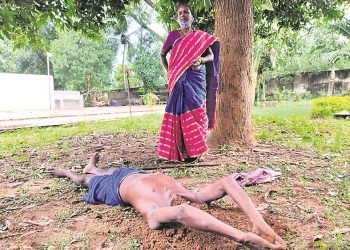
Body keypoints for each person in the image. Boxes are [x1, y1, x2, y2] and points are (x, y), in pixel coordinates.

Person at [49, 153, 287, 249]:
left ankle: (88, 170)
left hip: (122, 181)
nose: (183, 201)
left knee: (98, 176)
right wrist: (241, 236)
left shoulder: (187, 199)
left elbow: (227, 182)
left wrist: (257, 223)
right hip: (124, 181)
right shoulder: (168, 205)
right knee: (88, 178)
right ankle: (74, 172)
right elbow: (179, 212)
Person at [158, 4, 220, 162]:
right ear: (177, 17)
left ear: (192, 15)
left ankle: (197, 151)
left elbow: (210, 56)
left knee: (199, 112)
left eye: (186, 12)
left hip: (196, 79)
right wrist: (170, 71)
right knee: (180, 114)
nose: (183, 15)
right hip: (179, 80)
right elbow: (163, 54)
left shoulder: (199, 37)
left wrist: (201, 59)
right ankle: (183, 151)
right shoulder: (173, 36)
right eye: (180, 13)